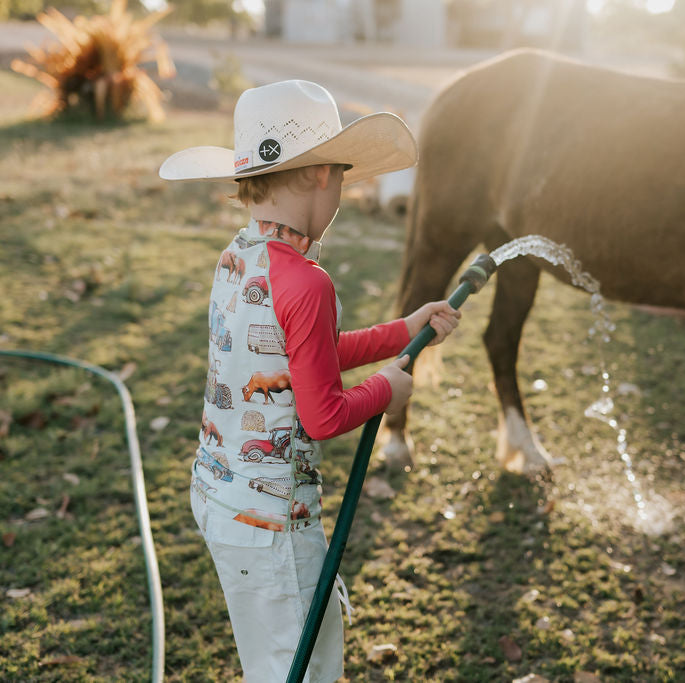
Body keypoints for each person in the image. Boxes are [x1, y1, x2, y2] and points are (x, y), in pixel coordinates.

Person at [159, 79, 460, 683]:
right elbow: (323, 414)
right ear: (321, 174)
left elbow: (302, 358)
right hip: (275, 524)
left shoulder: (238, 257)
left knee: (269, 660)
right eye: (344, 177)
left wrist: (403, 330)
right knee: (305, 669)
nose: (343, 194)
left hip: (220, 499)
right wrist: (386, 392)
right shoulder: (309, 281)